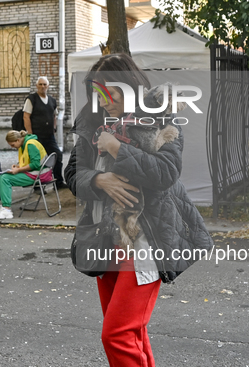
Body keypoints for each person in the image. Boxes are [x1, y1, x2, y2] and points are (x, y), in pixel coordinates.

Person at [64, 53, 213, 366]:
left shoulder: (161, 117)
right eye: (97, 93)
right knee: (132, 333)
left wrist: (117, 148)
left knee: (117, 334)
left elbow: (165, 172)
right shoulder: (93, 120)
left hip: (146, 238)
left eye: (110, 92)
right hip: (105, 237)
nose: (103, 100)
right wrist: (98, 179)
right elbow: (72, 173)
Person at [0, 130, 51, 220]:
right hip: (40, 173)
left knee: (4, 178)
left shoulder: (30, 145)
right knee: (4, 177)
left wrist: (18, 169)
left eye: (12, 145)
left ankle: (6, 210)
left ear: (18, 140)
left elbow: (35, 164)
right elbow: (31, 162)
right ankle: (5, 208)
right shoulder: (26, 143)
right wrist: (18, 166)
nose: (12, 147)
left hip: (40, 175)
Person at [23, 76, 66, 188]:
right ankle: (37, 185)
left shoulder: (52, 100)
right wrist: (30, 134)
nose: (43, 86)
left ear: (48, 86)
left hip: (49, 136)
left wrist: (54, 128)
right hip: (36, 136)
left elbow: (54, 115)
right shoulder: (31, 99)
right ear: (37, 86)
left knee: (58, 155)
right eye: (40, 84)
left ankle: (58, 181)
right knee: (37, 160)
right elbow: (26, 117)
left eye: (44, 84)